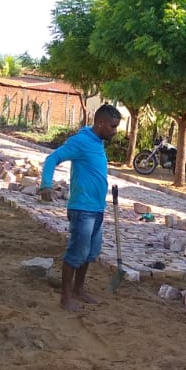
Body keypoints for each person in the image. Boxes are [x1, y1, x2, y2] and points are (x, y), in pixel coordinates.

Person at [36, 104, 122, 312]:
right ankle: (65, 298)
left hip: (97, 209)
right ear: (100, 123)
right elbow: (52, 158)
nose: (115, 131)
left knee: (90, 253)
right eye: (112, 126)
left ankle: (78, 290)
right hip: (82, 209)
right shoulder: (80, 141)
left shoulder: (98, 142)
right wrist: (46, 184)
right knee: (76, 252)